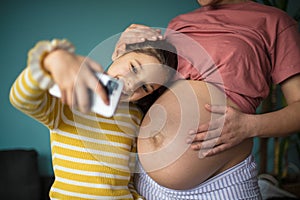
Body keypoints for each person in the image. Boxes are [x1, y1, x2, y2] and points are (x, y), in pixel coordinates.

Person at [113, 0, 300, 199]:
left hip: (220, 185)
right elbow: (142, 84)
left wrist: (250, 126)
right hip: (145, 183)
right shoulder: (179, 23)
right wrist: (122, 49)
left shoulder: (275, 22)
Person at [9, 38, 177, 199]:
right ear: (119, 52)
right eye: (134, 68)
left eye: (145, 87)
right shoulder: (69, 99)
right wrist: (51, 61)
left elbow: (129, 174)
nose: (132, 85)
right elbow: (21, 99)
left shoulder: (136, 117)